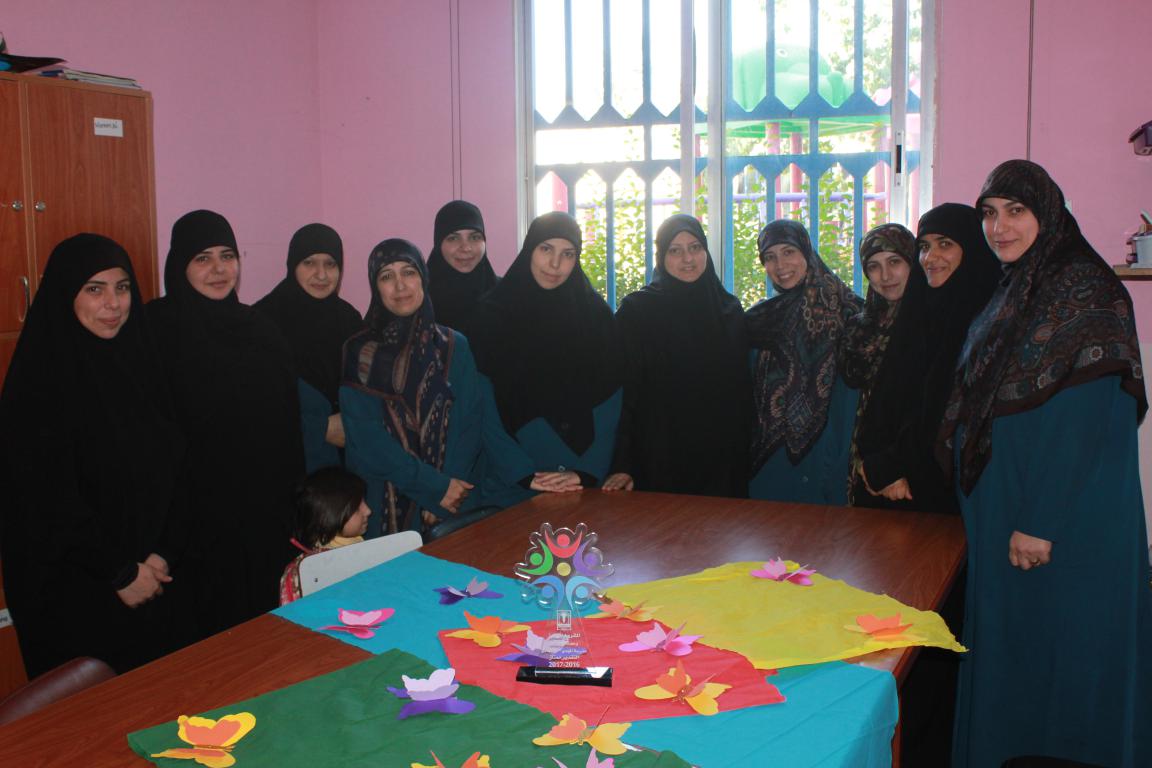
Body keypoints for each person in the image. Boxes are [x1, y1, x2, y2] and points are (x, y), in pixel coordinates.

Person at [940, 160, 1151, 767]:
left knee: (1071, 656)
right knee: (1021, 655)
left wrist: (1039, 522)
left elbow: (1084, 423)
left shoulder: (1088, 291)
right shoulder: (1017, 288)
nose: (999, 227)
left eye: (1016, 211)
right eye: (989, 213)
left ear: (1048, 213)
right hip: (1012, 510)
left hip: (1060, 523)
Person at [0, 234, 187, 676]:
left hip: (154, 577)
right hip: (74, 591)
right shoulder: (37, 387)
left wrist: (163, 554)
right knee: (90, 709)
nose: (113, 304)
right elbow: (46, 501)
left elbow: (178, 466)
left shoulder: (142, 367)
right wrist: (120, 573)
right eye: (94, 289)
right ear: (66, 295)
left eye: (122, 288)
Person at [148, 210, 303, 640]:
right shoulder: (155, 332)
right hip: (190, 526)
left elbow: (288, 429)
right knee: (202, 646)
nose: (219, 269)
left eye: (227, 256)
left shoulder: (262, 331)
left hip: (261, 518)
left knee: (263, 636)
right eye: (203, 258)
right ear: (179, 265)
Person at [341, 239, 527, 537]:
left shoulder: (453, 345)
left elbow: (469, 422)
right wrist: (433, 488)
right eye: (387, 276)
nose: (400, 285)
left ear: (423, 279)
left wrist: (448, 491)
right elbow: (367, 441)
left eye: (409, 272)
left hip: (455, 497)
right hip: (384, 500)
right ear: (376, 287)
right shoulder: (360, 352)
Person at [469, 211, 622, 507]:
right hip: (511, 481)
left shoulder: (596, 316)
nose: (555, 264)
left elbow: (612, 398)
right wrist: (521, 472)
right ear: (530, 250)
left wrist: (587, 470)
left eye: (568, 254)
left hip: (582, 481)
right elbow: (482, 403)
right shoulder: (491, 316)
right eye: (546, 249)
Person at [604, 214, 749, 497]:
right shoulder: (637, 312)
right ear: (661, 256)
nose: (688, 259)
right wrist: (622, 462)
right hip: (658, 455)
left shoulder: (729, 311)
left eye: (695, 247)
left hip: (722, 460)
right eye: (675, 250)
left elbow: (742, 392)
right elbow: (625, 393)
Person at [745, 219, 862, 504]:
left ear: (807, 253)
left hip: (830, 448)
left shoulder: (847, 312)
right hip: (773, 457)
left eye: (788, 252)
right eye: (770, 257)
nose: (780, 265)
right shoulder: (759, 319)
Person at [254, 223, 363, 472]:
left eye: (330, 264)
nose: (321, 275)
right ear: (293, 265)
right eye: (309, 263)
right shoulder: (263, 322)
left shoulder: (349, 319)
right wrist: (319, 428)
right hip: (287, 462)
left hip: (345, 467)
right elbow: (256, 407)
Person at [840, 223, 923, 508]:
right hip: (867, 460)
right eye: (874, 266)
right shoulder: (860, 326)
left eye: (894, 262)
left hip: (910, 465)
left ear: (913, 262)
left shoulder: (929, 321)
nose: (885, 276)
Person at [279, 467, 371, 605]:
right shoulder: (302, 574)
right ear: (330, 515)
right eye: (357, 507)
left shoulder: (366, 550)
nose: (368, 511)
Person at [426, 200, 498, 338]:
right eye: (453, 238)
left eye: (474, 237)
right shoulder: (419, 299)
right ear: (438, 243)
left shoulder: (504, 294)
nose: (465, 248)